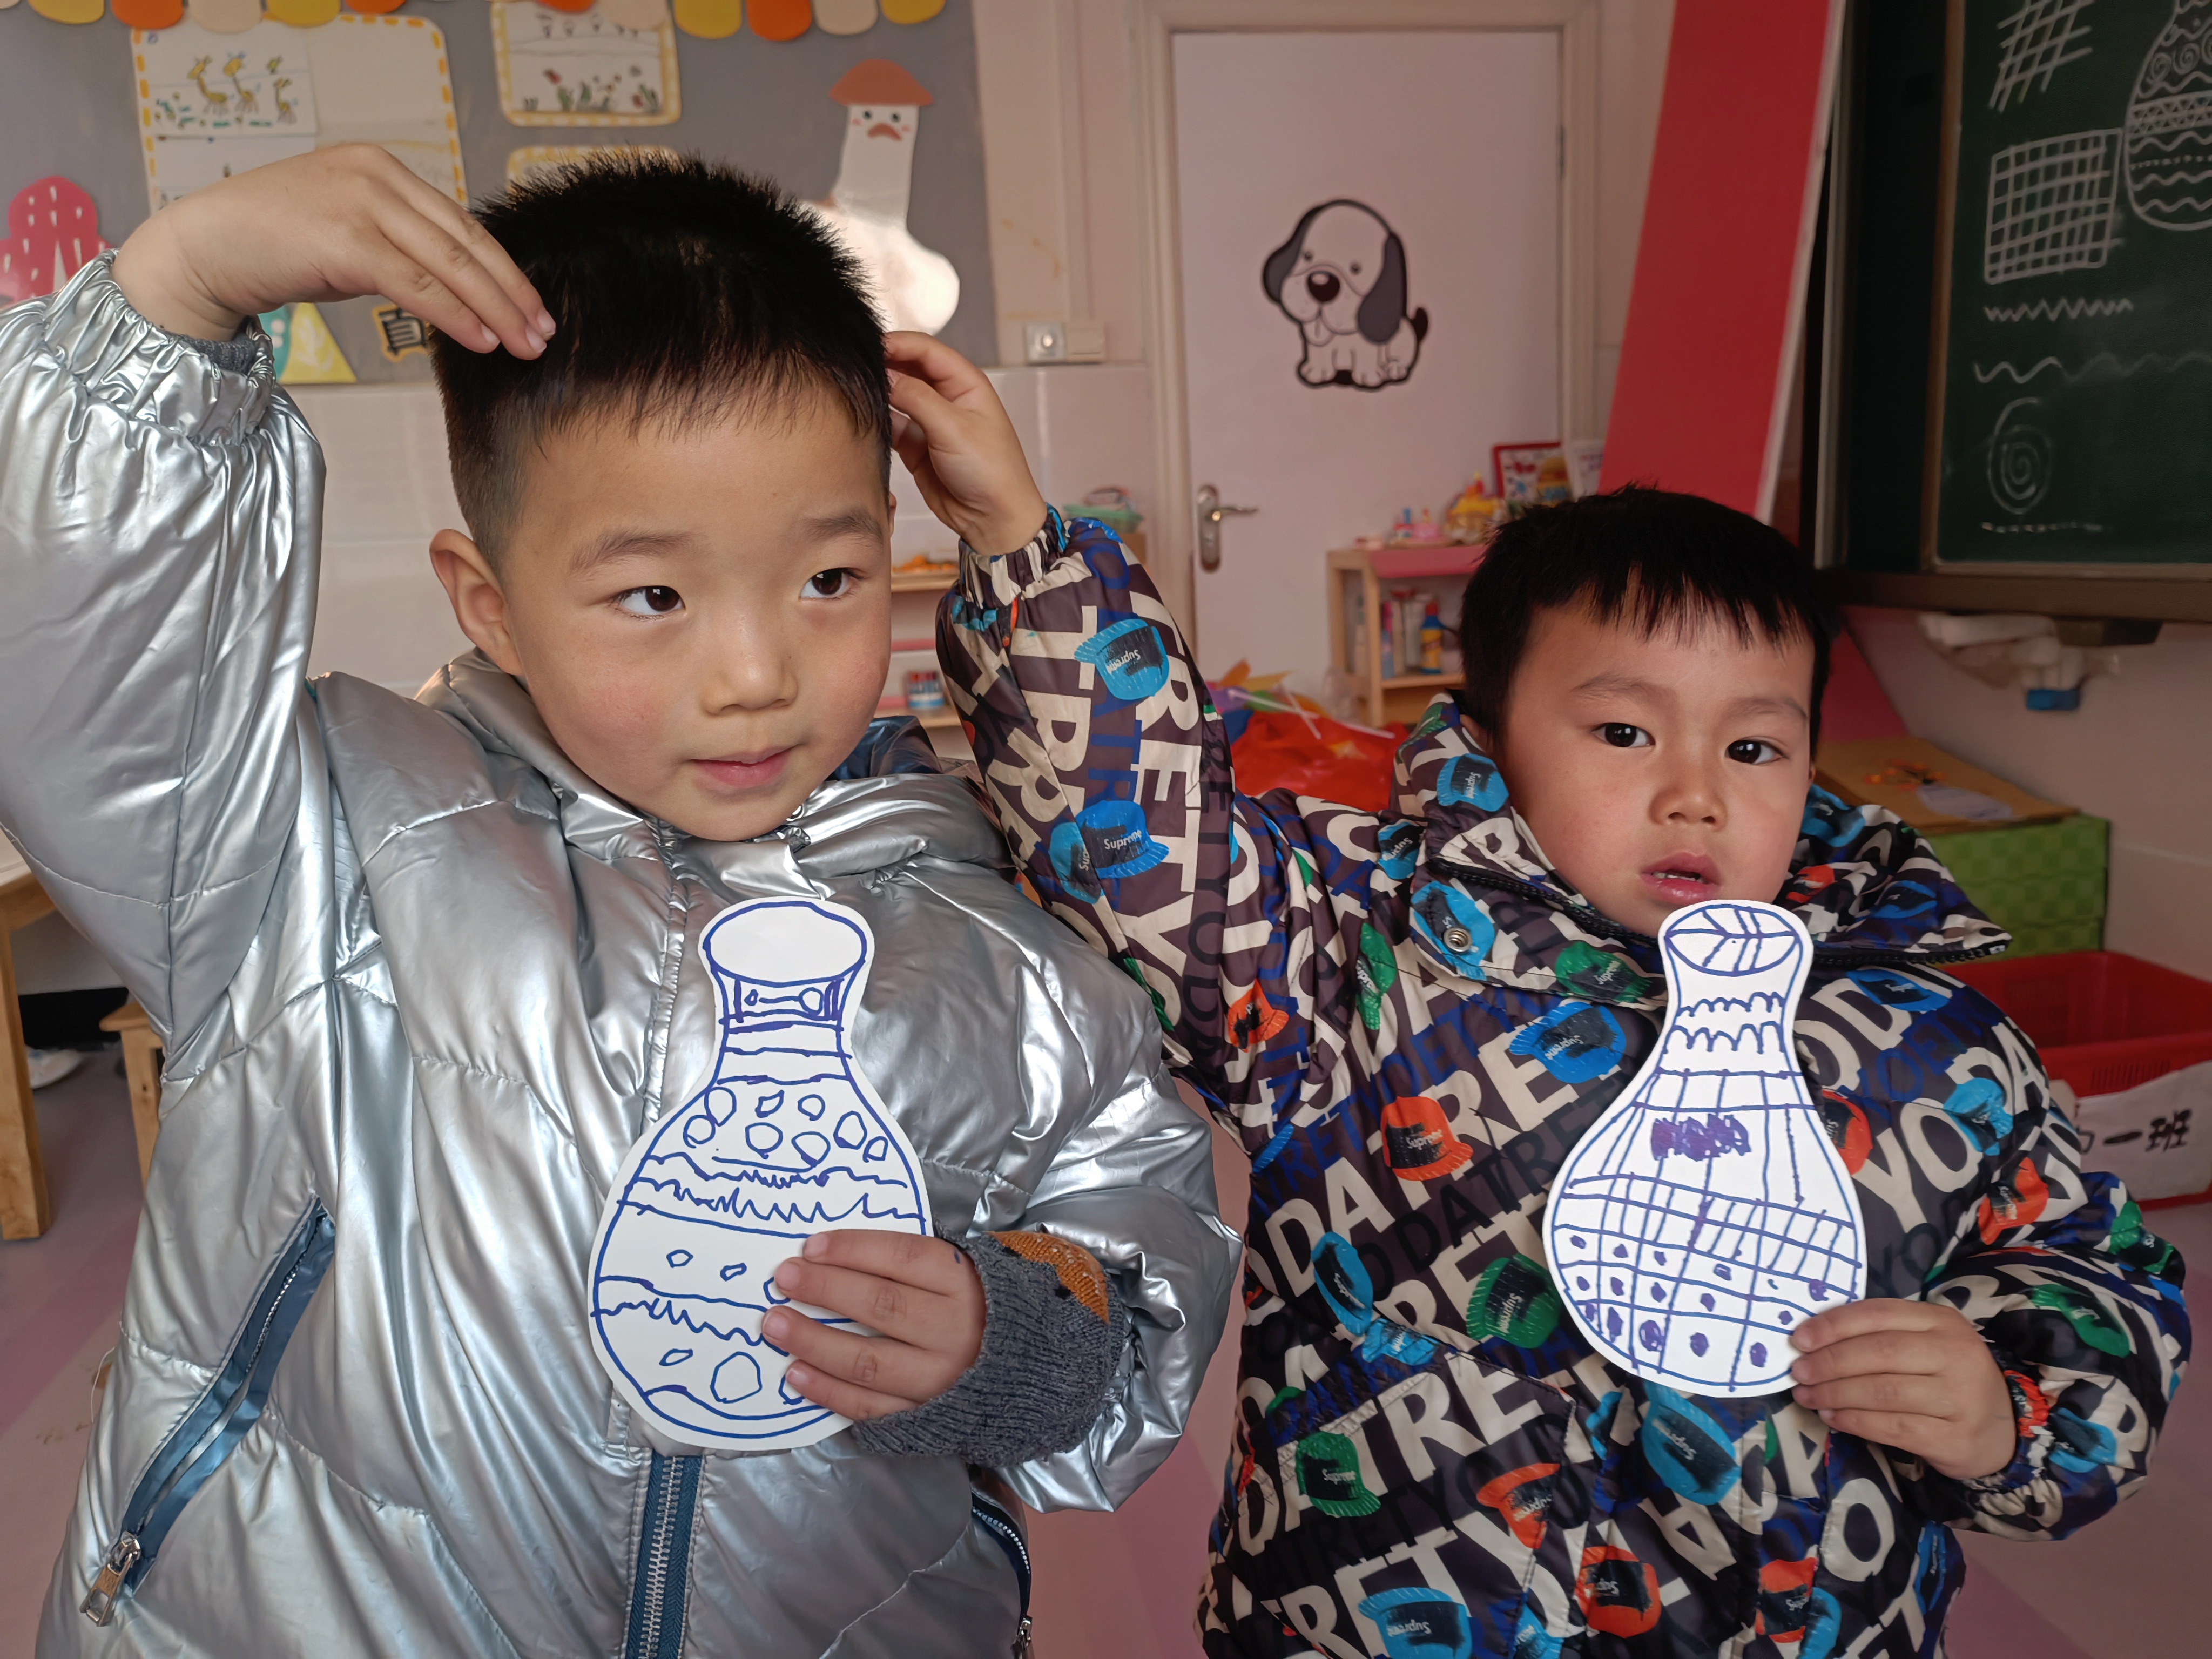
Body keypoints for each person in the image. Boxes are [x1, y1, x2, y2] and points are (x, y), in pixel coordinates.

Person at [0, 147, 1238, 1658]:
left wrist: (1010, 1341)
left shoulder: (998, 947)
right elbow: (82, 688)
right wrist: (171, 305)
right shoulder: (311, 844)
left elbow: (1138, 1238)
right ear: (492, 602)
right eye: (653, 596)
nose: (755, 675)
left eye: (829, 580)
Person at [894, 338, 2190, 1658]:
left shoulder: (1928, 1045)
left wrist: (2006, 1413)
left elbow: (2093, 1281)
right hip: (1379, 1618)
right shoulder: (1354, 961)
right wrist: (1021, 546)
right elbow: (1139, 835)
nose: (1694, 793)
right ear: (1493, 738)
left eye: (1753, 745)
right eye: (1623, 732)